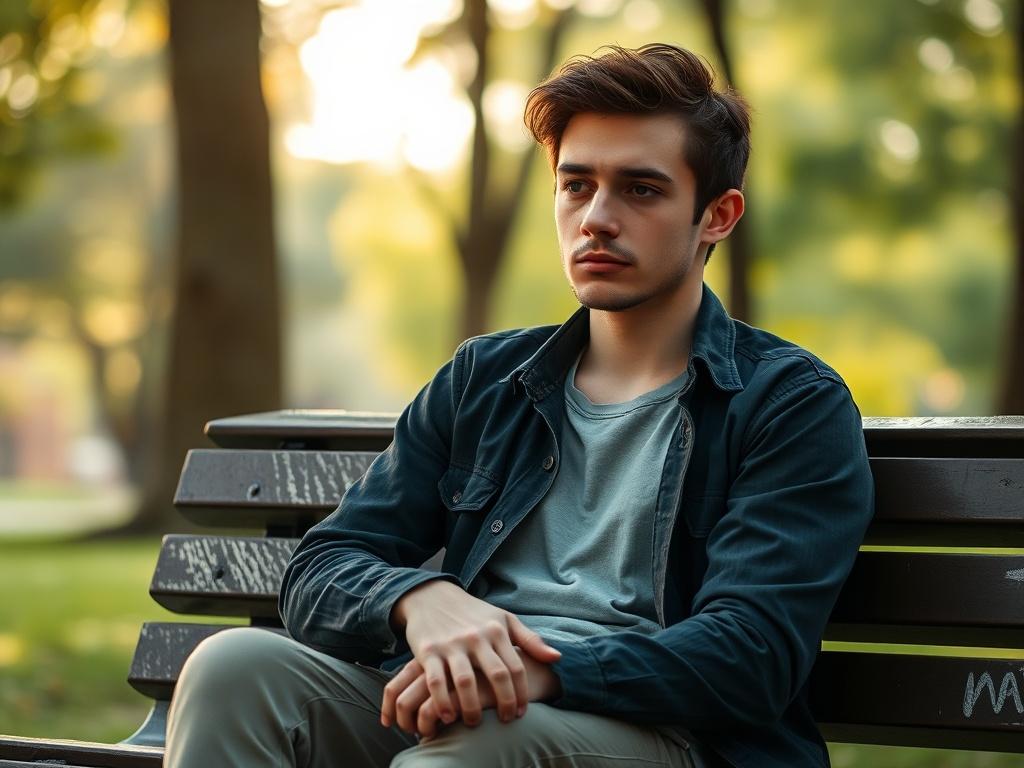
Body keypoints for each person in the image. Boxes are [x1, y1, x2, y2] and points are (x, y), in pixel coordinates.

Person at [164, 43, 874, 768]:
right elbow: (324, 566)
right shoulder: (487, 378)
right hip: (461, 708)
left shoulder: (788, 404)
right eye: (576, 185)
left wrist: (545, 673)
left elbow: (750, 653)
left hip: (668, 737)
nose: (597, 218)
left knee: (481, 746)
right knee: (233, 670)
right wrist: (420, 601)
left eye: (641, 190)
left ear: (717, 216)